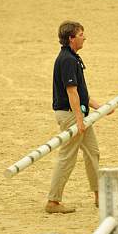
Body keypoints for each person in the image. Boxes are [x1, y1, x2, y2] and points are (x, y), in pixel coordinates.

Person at [45, 21, 108, 214]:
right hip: (71, 115)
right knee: (67, 156)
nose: (84, 37)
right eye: (81, 34)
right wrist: (80, 120)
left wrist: (100, 107)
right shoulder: (67, 60)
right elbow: (72, 93)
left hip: (78, 114)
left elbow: (81, 93)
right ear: (71, 38)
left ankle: (99, 195)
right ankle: (53, 202)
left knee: (93, 152)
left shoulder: (73, 58)